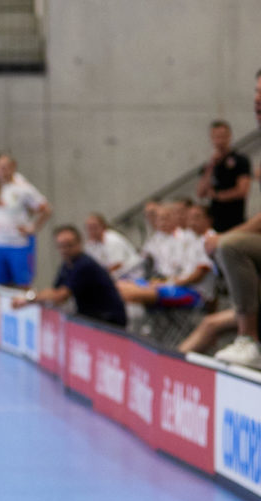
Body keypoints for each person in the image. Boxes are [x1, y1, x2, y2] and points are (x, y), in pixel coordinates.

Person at [203, 70, 261, 370]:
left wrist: (224, 239)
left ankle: (249, 341)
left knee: (233, 247)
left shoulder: (240, 160)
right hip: (226, 225)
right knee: (210, 324)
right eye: (255, 92)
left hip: (236, 223)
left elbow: (242, 192)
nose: (257, 100)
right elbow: (203, 192)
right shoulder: (214, 162)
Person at [12, 225, 126, 328]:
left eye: (69, 245)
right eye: (61, 246)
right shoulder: (67, 265)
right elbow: (54, 291)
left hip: (108, 321)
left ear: (79, 243)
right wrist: (33, 297)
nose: (65, 250)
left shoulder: (84, 265)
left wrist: (28, 299)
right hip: (92, 318)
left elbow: (60, 296)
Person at [116, 203, 215, 311]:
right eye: (191, 218)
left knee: (131, 294)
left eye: (197, 217)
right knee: (121, 286)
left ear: (209, 219)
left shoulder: (208, 239)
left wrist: (166, 283)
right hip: (177, 285)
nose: (192, 222)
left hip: (196, 294)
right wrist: (163, 282)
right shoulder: (193, 239)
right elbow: (180, 271)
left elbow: (196, 276)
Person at [0, 153, 51, 288]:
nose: (2, 171)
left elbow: (46, 210)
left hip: (18, 244)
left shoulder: (23, 188)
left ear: (13, 167)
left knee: (23, 284)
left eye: (5, 167)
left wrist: (33, 227)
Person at [195, 120, 251, 233]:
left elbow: (242, 190)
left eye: (222, 136)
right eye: (216, 137)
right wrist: (211, 167)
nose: (219, 141)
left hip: (234, 219)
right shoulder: (210, 165)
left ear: (229, 136)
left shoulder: (240, 160)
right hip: (214, 220)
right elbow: (200, 192)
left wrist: (217, 195)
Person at [82, 212, 142, 279]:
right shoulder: (91, 244)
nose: (92, 231)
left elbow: (117, 265)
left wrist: (98, 275)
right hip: (116, 276)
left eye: (94, 227)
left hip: (132, 274)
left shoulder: (112, 239)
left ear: (103, 226)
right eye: (89, 228)